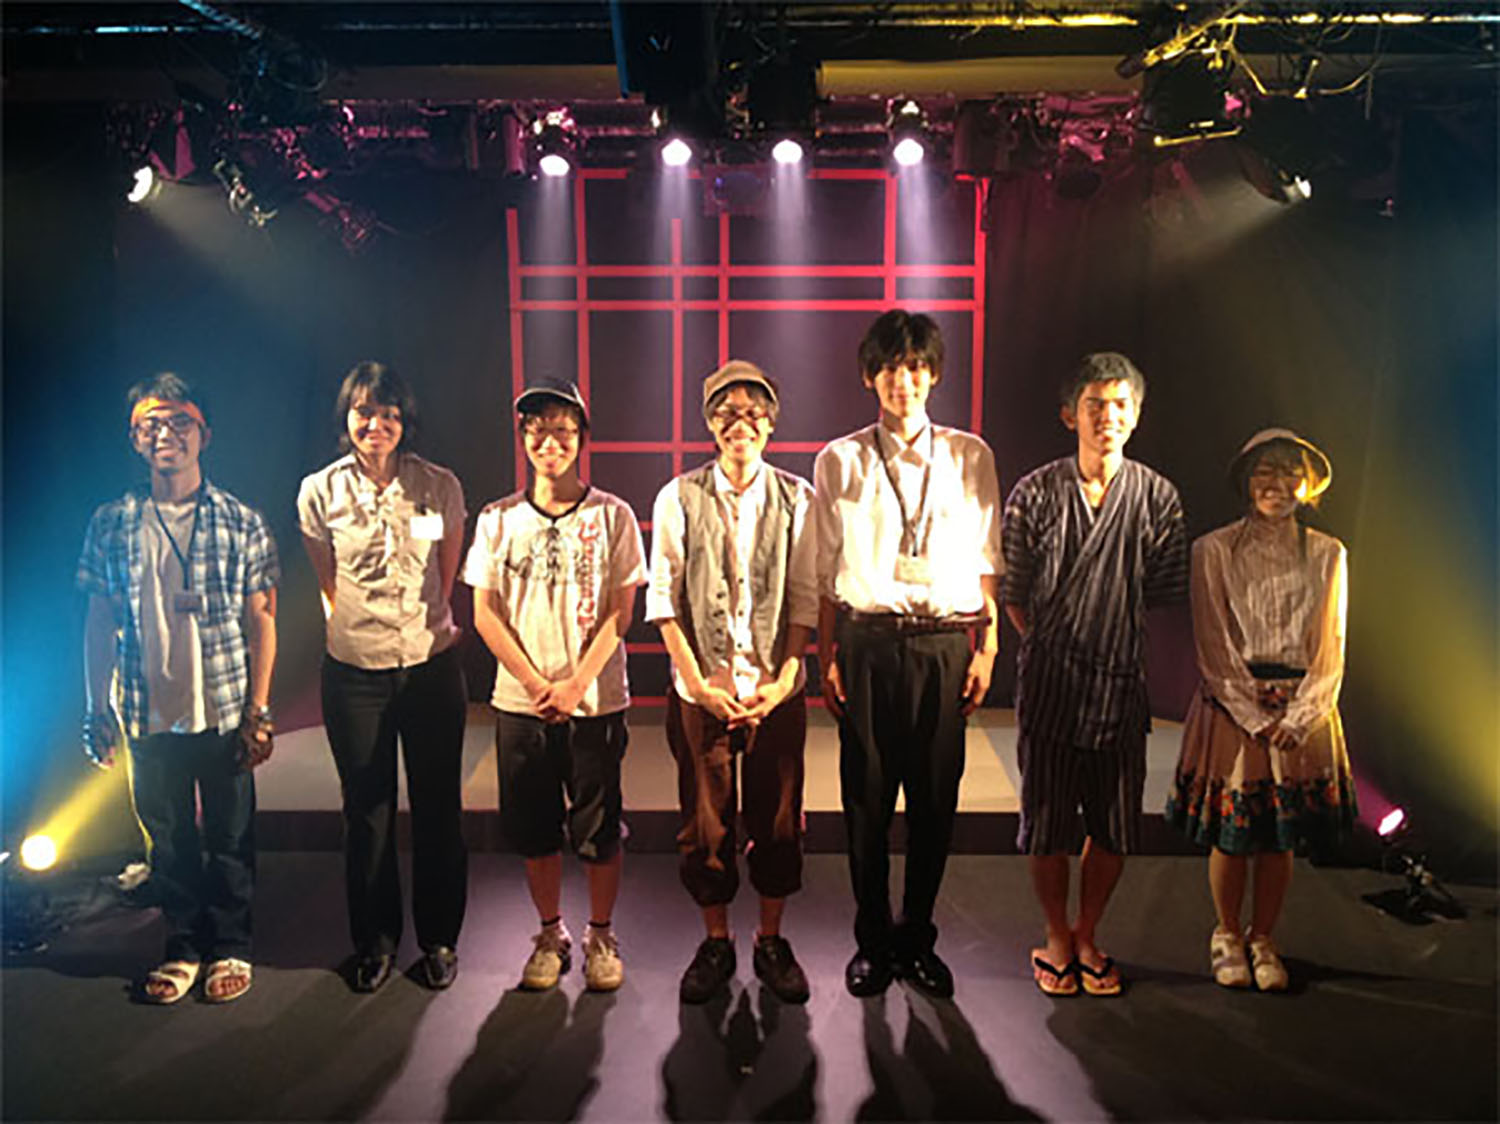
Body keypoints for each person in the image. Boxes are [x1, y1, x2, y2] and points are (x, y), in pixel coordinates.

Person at [814, 310, 1002, 999]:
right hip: (866, 643)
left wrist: (988, 648)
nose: (905, 380)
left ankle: (917, 937)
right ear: (871, 376)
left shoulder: (969, 455)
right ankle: (872, 942)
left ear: (935, 374)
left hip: (945, 643)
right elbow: (824, 569)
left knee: (934, 800)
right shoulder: (839, 459)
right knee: (864, 801)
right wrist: (827, 655)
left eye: (917, 366)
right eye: (891, 367)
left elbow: (987, 558)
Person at [78, 373, 279, 1004]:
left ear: (204, 434)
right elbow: (99, 620)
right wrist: (95, 708)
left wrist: (259, 710)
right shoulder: (112, 522)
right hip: (144, 709)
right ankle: (183, 946)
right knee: (166, 842)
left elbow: (262, 619)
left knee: (230, 838)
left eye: (179, 422)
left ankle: (232, 945)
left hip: (221, 705)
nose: (166, 434)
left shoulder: (240, 519)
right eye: (151, 425)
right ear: (134, 439)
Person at [1002, 352, 1187, 997]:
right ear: (1069, 415)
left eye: (1120, 406)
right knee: (1047, 825)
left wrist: (1106, 638)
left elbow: (1161, 591)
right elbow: (1014, 589)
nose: (1107, 416)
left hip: (1119, 684)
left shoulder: (1158, 497)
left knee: (1114, 825)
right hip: (1051, 684)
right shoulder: (1034, 492)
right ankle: (1056, 934)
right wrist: (1051, 642)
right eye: (1094, 405)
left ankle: (1088, 932)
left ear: (1136, 417)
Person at [465, 378, 645, 992]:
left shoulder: (613, 515)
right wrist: (536, 682)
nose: (550, 441)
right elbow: (484, 613)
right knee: (534, 826)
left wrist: (574, 686)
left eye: (563, 430)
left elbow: (622, 612)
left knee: (599, 828)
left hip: (595, 701)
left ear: (582, 438)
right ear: (523, 437)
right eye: (538, 429)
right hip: (521, 703)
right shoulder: (497, 519)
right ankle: (550, 932)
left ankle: (601, 933)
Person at [647, 361, 817, 1005]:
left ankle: (770, 940)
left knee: (779, 821)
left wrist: (784, 681)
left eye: (752, 412)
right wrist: (697, 684)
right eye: (726, 411)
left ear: (771, 423)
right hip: (702, 693)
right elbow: (663, 599)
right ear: (708, 422)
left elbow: (804, 599)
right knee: (704, 825)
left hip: (776, 693)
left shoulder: (799, 498)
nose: (739, 423)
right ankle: (716, 941)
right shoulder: (677, 496)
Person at [297, 362, 470, 993]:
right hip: (354, 672)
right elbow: (326, 578)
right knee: (366, 812)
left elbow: (445, 570)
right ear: (347, 418)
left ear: (405, 421)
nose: (377, 425)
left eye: (389, 414)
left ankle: (440, 939)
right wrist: (357, 624)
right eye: (365, 412)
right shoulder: (319, 491)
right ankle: (374, 942)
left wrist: (424, 627)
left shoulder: (439, 484)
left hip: (429, 665)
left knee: (438, 808)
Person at [1166, 428, 1356, 991]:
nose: (1277, 483)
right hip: (1234, 707)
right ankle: (1227, 933)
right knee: (1233, 830)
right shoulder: (1213, 549)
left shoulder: (1328, 553)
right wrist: (1252, 714)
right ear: (1247, 481)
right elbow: (1213, 641)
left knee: (1279, 835)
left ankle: (1264, 936)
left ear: (1309, 484)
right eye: (1265, 471)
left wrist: (1300, 716)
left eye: (1289, 472)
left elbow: (1332, 643)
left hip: (1301, 710)